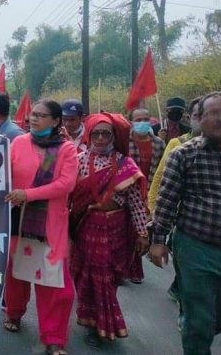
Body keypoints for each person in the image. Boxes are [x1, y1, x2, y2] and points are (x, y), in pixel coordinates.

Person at [149, 92, 221, 355]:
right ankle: (196, 331)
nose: (220, 119)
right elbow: (167, 199)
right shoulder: (184, 154)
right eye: (213, 113)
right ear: (200, 119)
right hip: (196, 247)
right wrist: (158, 241)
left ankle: (195, 324)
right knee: (200, 319)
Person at [3, 100, 78, 355]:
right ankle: (14, 313)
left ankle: (54, 337)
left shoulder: (65, 149)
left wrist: (28, 194)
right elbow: (0, 170)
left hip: (49, 223)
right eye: (33, 114)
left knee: (55, 284)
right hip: (17, 218)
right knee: (16, 272)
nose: (34, 118)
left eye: (41, 115)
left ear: (56, 121)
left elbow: (66, 184)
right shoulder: (18, 143)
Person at [69, 112, 150, 347]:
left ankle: (102, 322)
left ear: (114, 136)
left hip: (115, 230)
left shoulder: (126, 164)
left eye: (106, 133)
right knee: (86, 275)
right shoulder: (78, 160)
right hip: (85, 227)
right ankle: (93, 321)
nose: (101, 138)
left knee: (108, 277)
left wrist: (143, 233)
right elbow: (68, 197)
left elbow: (136, 202)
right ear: (89, 135)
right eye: (96, 133)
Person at [147, 97, 201, 309]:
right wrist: (153, 207)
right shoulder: (177, 144)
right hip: (181, 214)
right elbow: (161, 178)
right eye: (198, 115)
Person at [127, 107, 165, 284]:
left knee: (141, 232)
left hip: (147, 194)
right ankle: (122, 267)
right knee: (124, 231)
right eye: (138, 119)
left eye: (145, 119)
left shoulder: (159, 144)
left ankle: (135, 269)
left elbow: (161, 171)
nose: (142, 123)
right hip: (126, 192)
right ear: (131, 122)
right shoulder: (124, 141)